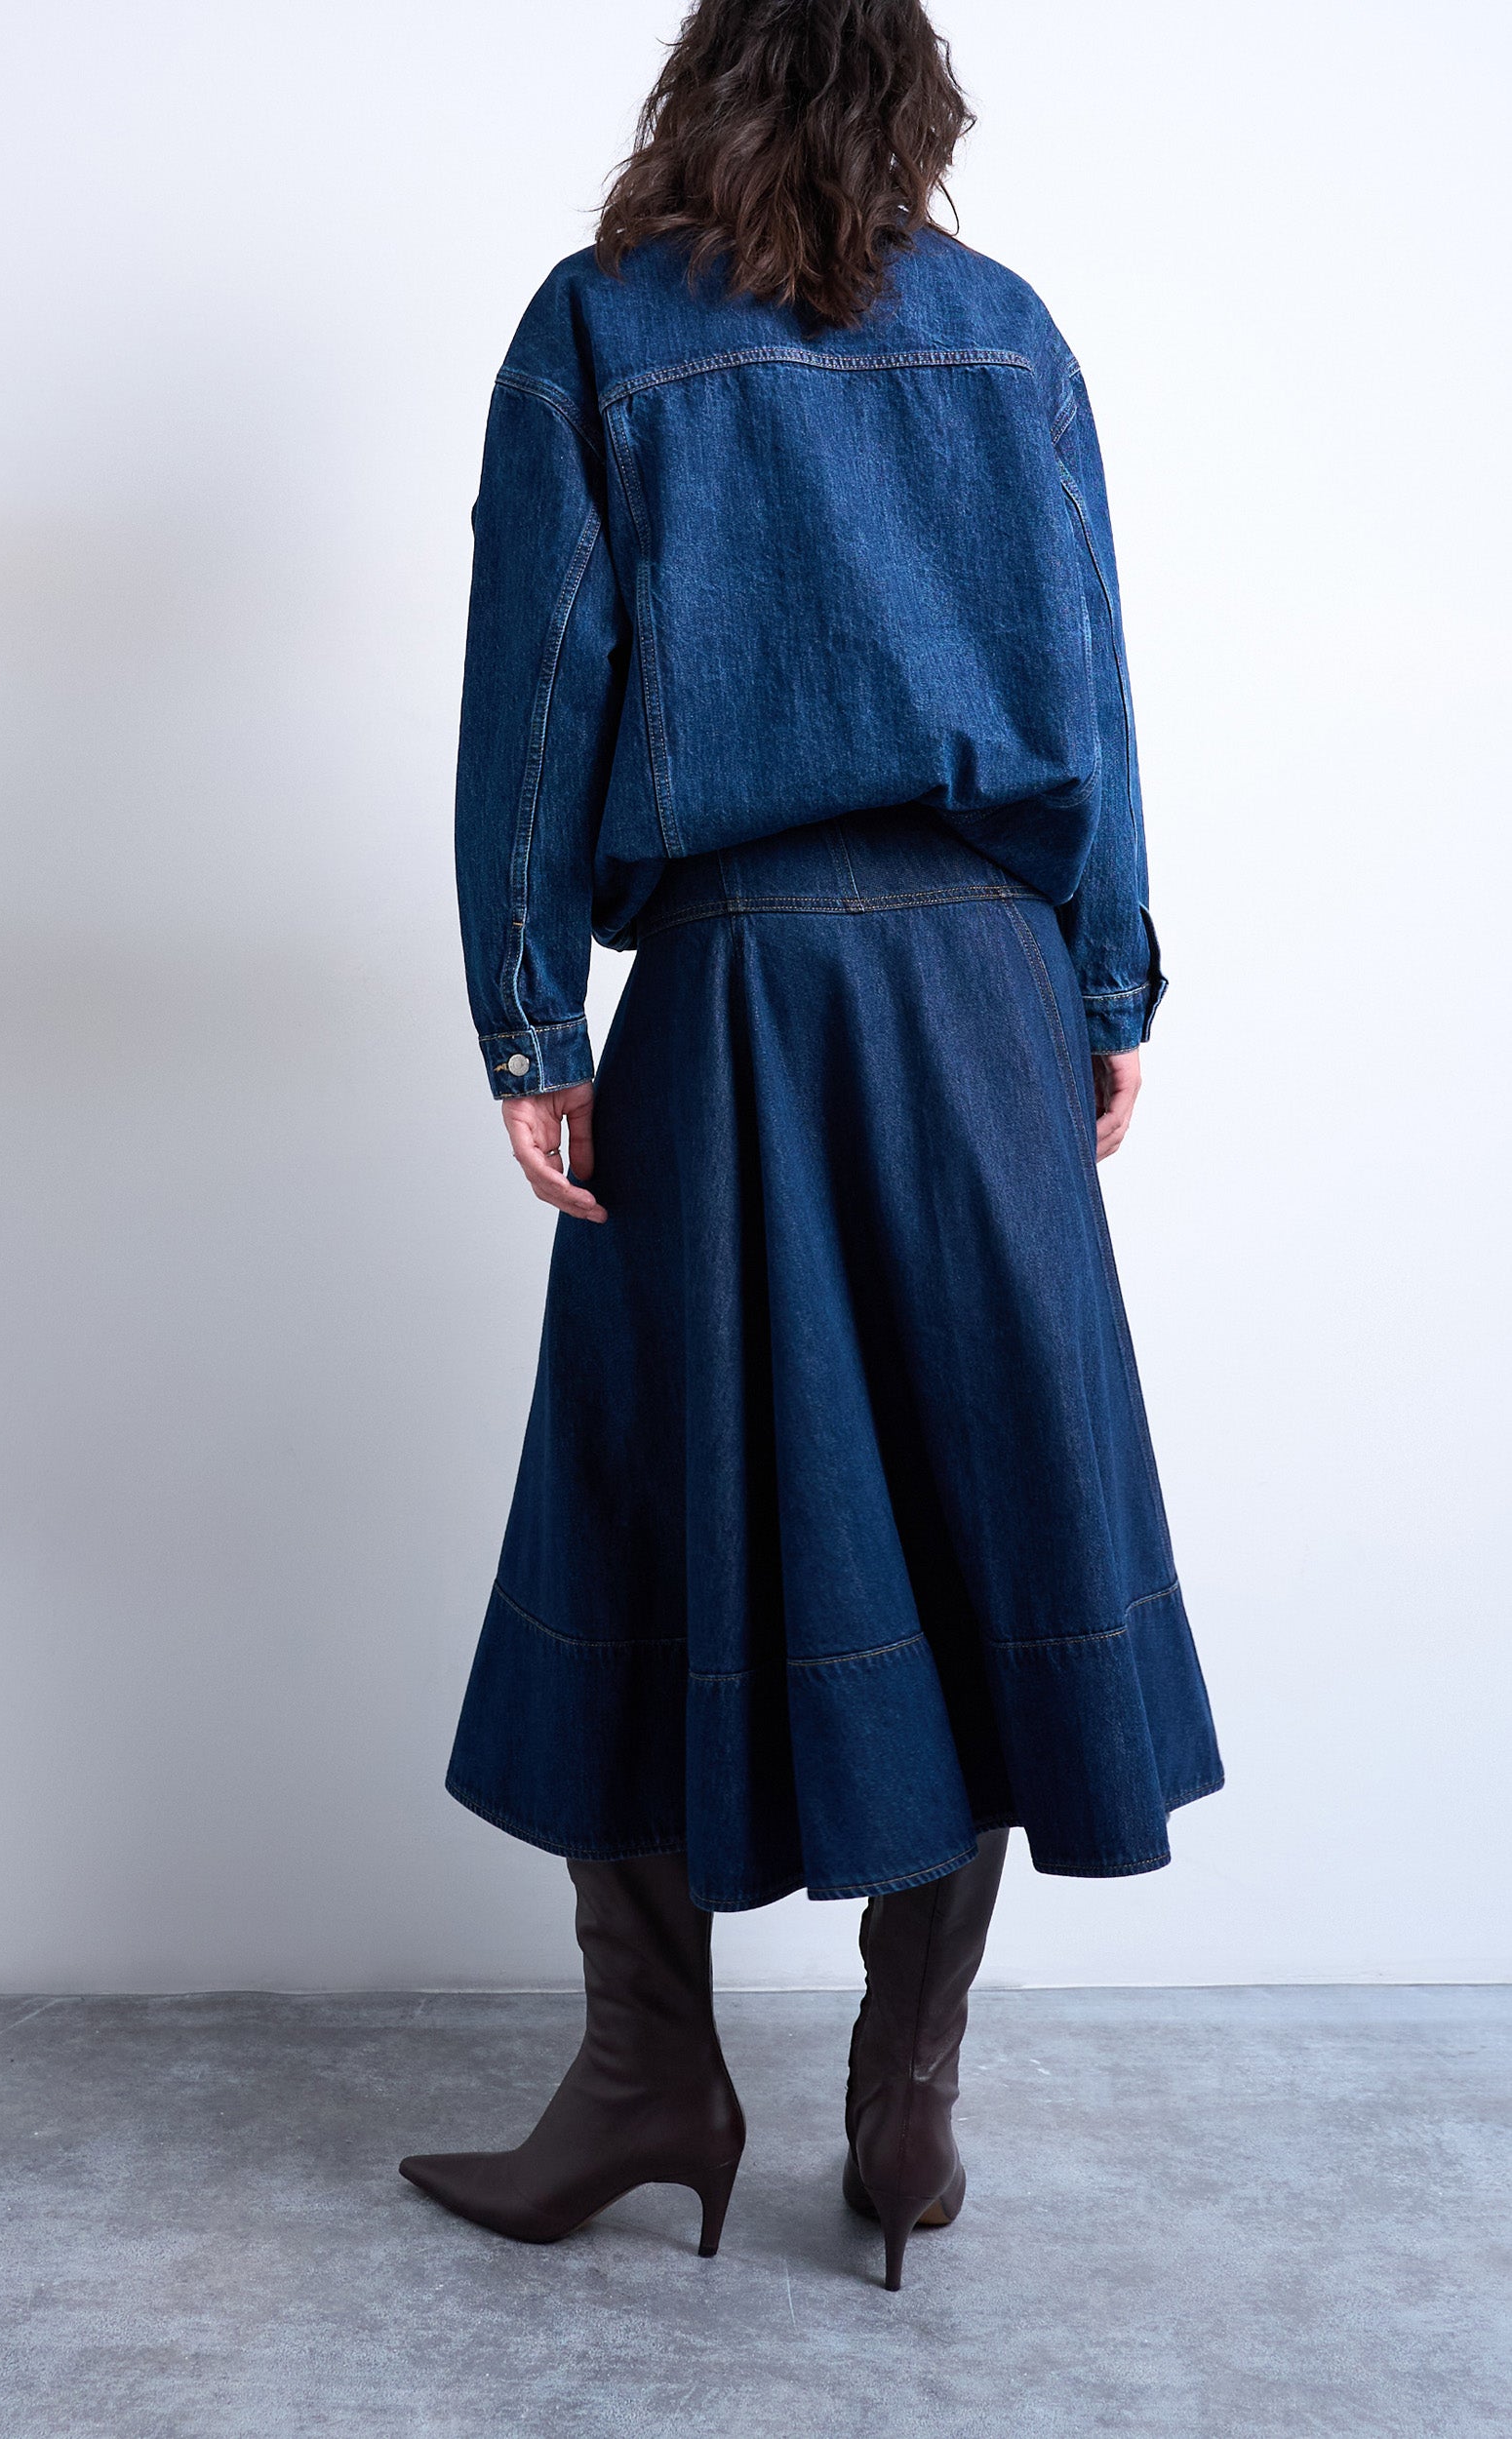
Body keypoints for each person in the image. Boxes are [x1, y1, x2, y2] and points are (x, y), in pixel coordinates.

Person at [400, 0, 1222, 2292]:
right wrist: (1102, 982)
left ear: (705, 87)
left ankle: (647, 2074)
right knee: (975, 1488)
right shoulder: (1006, 332)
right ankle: (904, 2102)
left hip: (737, 990)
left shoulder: (599, 327)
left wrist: (528, 1011)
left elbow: (538, 684)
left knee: (647, 1482)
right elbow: (1086, 675)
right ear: (914, 107)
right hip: (979, 995)